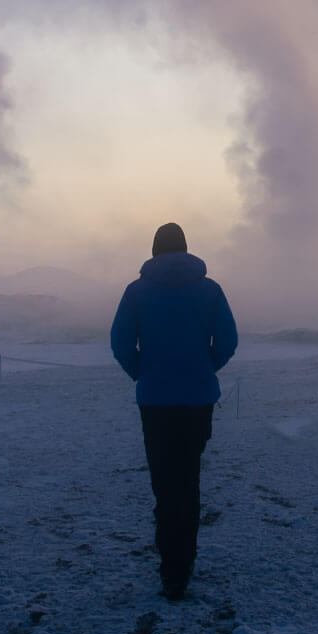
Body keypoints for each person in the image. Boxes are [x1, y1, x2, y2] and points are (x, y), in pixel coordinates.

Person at [110, 222, 239, 600]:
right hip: (197, 400)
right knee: (189, 477)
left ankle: (172, 569)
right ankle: (185, 560)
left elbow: (120, 343)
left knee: (165, 484)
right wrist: (202, 369)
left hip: (155, 401)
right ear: (186, 249)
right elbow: (227, 340)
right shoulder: (210, 290)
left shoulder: (135, 292)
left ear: (154, 250)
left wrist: (144, 373)